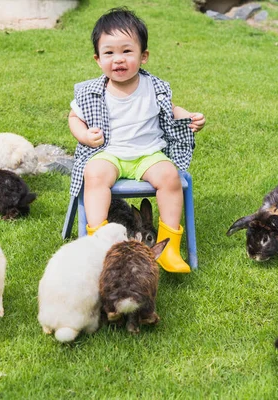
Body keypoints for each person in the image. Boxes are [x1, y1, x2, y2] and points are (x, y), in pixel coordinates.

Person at [68, 7, 205, 273]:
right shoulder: (92, 91)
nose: (118, 59)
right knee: (94, 175)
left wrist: (188, 117)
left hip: (148, 153)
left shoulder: (154, 87)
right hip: (109, 152)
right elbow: (74, 117)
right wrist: (84, 134)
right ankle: (100, 243)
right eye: (109, 53)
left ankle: (169, 248)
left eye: (126, 51)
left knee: (170, 178)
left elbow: (171, 109)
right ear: (97, 59)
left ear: (143, 56)